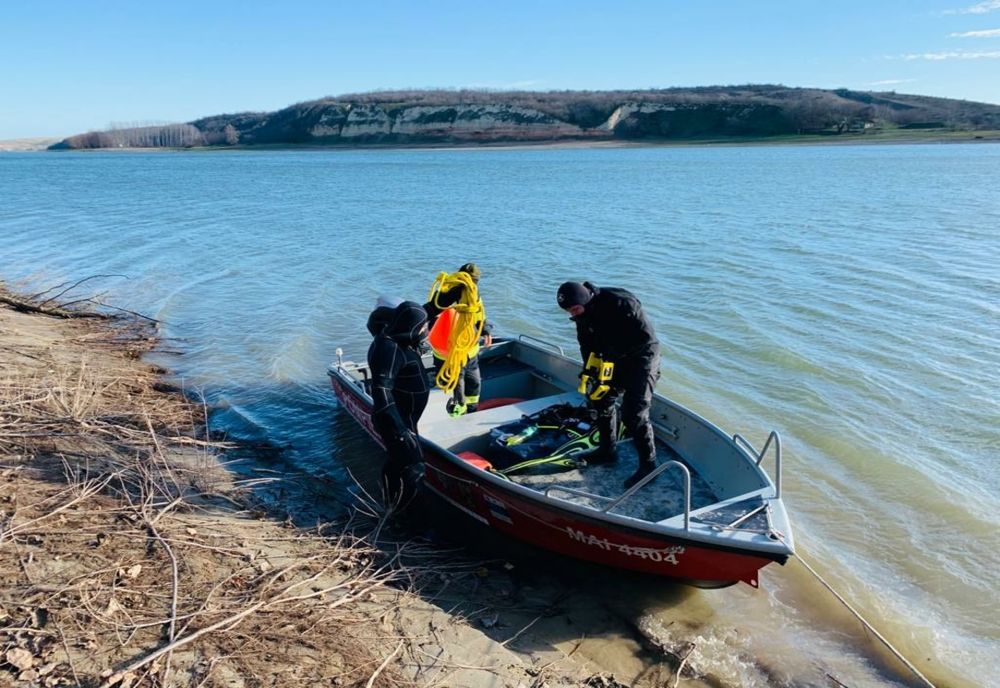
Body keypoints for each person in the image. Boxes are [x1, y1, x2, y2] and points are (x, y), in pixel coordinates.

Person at [557, 281, 661, 489]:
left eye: (575, 309)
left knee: (634, 413)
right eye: (569, 311)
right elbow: (585, 344)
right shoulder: (582, 314)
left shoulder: (622, 303)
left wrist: (612, 357)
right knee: (600, 399)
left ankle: (649, 467)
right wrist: (590, 370)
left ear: (585, 299)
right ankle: (607, 451)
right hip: (613, 358)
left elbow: (644, 338)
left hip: (642, 357)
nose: (573, 314)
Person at [367, 300, 431, 505]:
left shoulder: (398, 337)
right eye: (423, 327)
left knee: (396, 461)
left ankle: (388, 503)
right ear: (411, 327)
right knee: (414, 467)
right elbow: (381, 391)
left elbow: (417, 313)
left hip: (406, 418)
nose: (426, 330)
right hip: (397, 421)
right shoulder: (391, 350)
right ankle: (407, 518)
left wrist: (446, 298)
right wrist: (401, 431)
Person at [424, 262, 493, 417]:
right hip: (450, 353)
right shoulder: (447, 293)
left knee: (474, 382)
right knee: (458, 386)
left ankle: (472, 409)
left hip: (470, 351)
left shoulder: (474, 295)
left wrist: (485, 330)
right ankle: (458, 411)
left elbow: (479, 316)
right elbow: (430, 310)